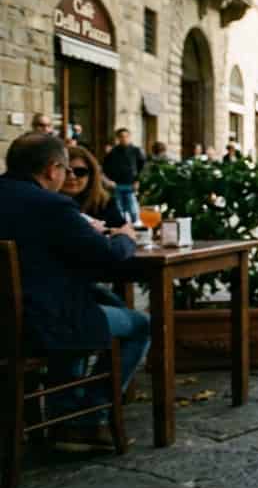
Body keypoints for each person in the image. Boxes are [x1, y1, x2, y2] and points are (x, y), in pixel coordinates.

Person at [0, 132, 148, 450]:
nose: (68, 177)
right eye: (66, 170)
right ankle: (84, 419)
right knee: (139, 325)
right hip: (39, 323)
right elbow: (106, 256)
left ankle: (62, 409)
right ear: (53, 169)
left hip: (11, 319)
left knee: (98, 301)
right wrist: (125, 237)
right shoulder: (51, 205)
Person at [62, 144, 125, 230]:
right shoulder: (44, 204)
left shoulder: (105, 203)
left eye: (80, 171)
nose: (72, 177)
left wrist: (106, 231)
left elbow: (124, 234)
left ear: (91, 175)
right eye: (66, 171)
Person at [102, 128, 146, 224]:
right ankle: (122, 227)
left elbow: (143, 167)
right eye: (121, 137)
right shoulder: (113, 152)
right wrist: (108, 181)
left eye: (126, 136)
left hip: (131, 184)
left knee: (133, 208)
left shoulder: (136, 151)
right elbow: (105, 168)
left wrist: (138, 181)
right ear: (118, 138)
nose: (124, 139)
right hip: (116, 185)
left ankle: (137, 227)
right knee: (119, 209)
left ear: (129, 137)